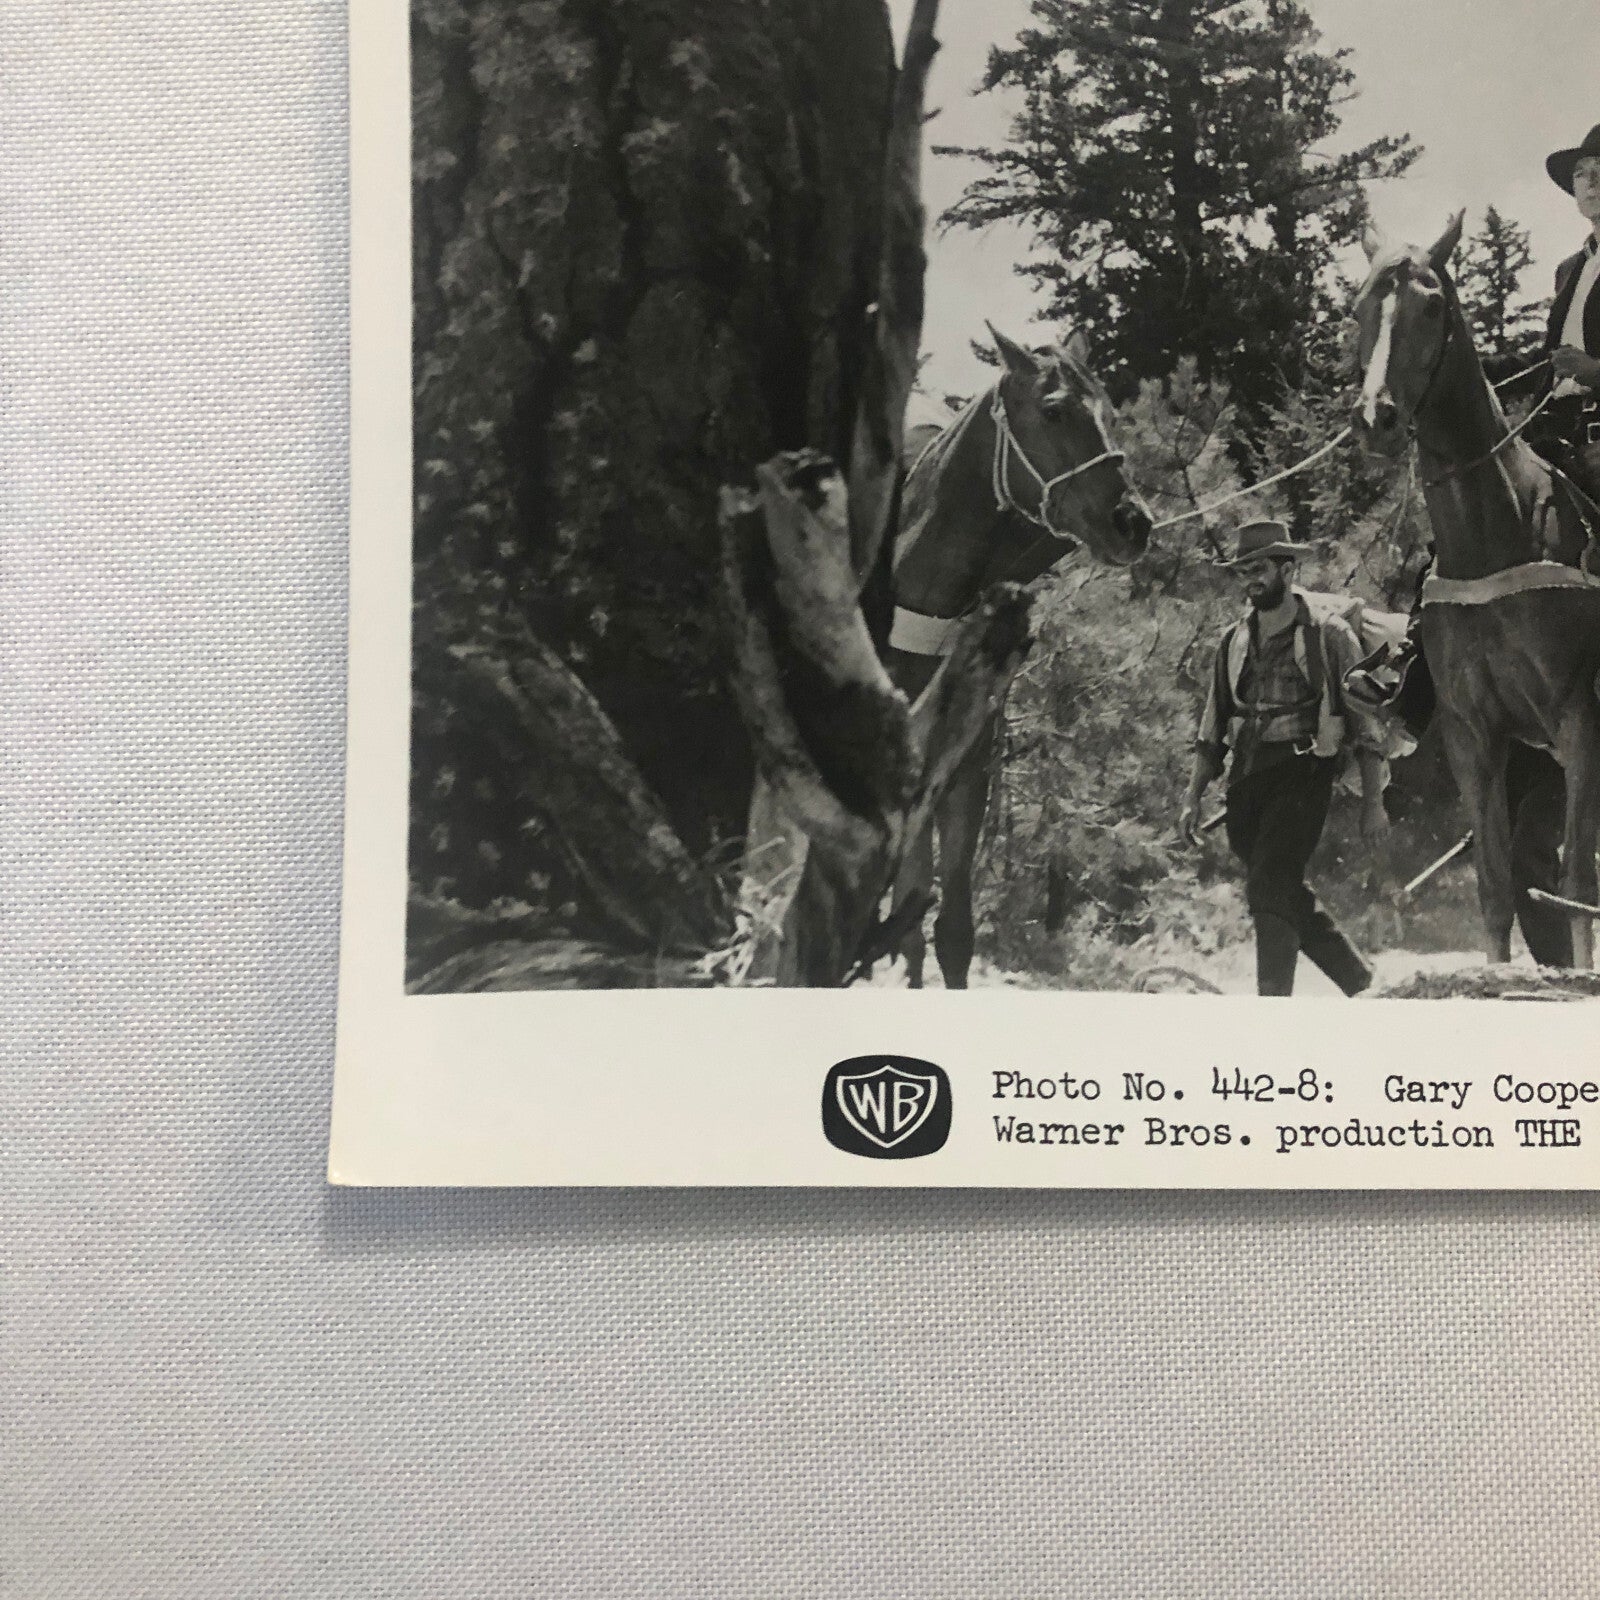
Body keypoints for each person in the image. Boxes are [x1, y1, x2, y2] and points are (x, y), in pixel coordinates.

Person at [1177, 520, 1390, 996]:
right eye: (1243, 571)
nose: (1250, 580)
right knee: (1280, 888)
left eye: (1260, 569)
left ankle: (1272, 1006)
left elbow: (1366, 726)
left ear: (1288, 571)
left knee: (1269, 883)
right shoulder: (1233, 641)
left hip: (1303, 773)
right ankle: (1360, 984)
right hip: (1246, 780)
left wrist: (1373, 802)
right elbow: (1213, 726)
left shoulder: (1329, 635)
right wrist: (1192, 795)